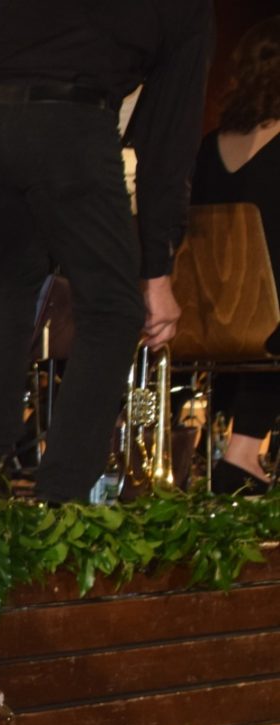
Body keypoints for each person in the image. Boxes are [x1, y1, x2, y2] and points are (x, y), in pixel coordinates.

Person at [0, 0, 212, 503]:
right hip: (68, 122)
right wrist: (156, 272)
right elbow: (168, 142)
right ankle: (62, 497)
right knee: (114, 309)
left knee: (12, 272)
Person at [192, 16, 280, 496]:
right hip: (267, 322)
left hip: (209, 314)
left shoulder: (209, 147)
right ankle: (243, 452)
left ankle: (212, 442)